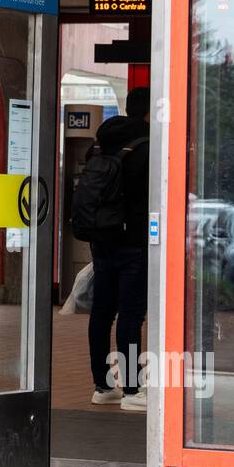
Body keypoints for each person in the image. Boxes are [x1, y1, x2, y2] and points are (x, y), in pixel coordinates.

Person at [87, 87, 151, 411]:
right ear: (150, 112)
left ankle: (102, 386)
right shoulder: (147, 147)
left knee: (102, 312)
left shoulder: (102, 144)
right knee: (130, 315)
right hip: (134, 242)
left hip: (102, 241)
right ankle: (131, 390)